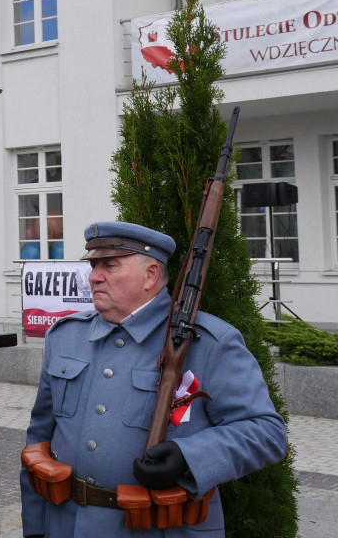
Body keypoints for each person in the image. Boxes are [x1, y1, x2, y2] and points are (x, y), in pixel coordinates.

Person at [20, 220, 288, 538]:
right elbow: (38, 442)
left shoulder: (210, 343)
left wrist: (188, 458)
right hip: (65, 525)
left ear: (151, 276)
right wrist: (35, 527)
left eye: (109, 265)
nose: (94, 276)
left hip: (157, 529)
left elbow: (267, 433)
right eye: (93, 265)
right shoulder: (65, 336)